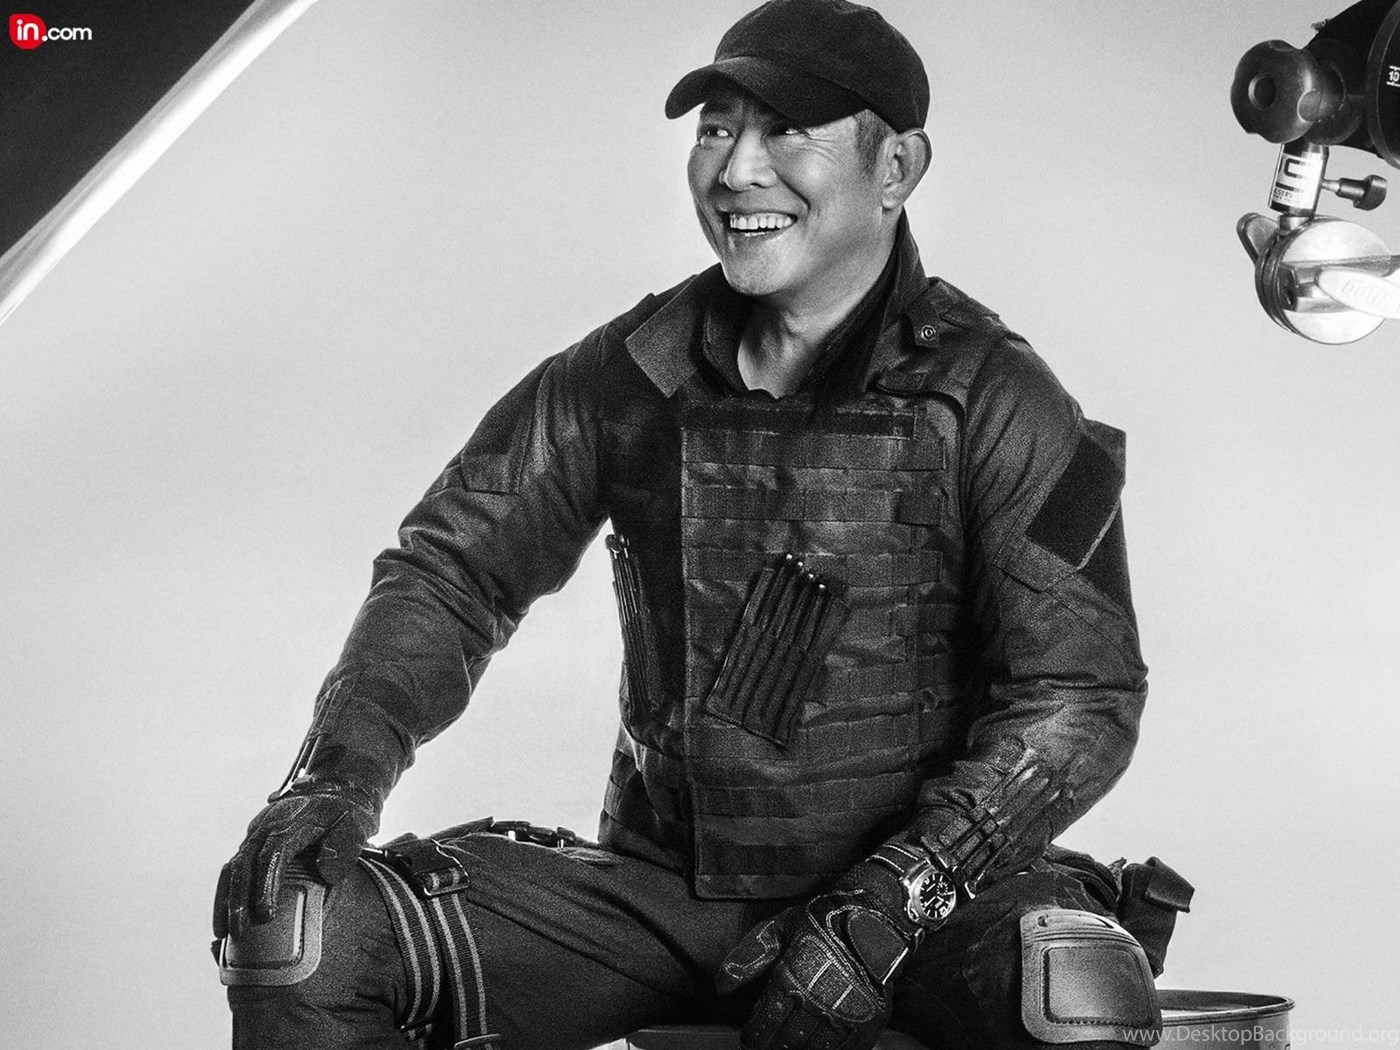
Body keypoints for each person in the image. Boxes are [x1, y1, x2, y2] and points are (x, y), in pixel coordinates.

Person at [213, 2, 1186, 1048]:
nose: (736, 170)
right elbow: (452, 572)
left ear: (897, 167)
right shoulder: (627, 373)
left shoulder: (999, 396)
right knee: (300, 927)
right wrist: (334, 776)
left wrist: (892, 904)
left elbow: (1082, 693)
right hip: (662, 896)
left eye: (786, 132)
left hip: (924, 906)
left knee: (1075, 992)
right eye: (717, 129)